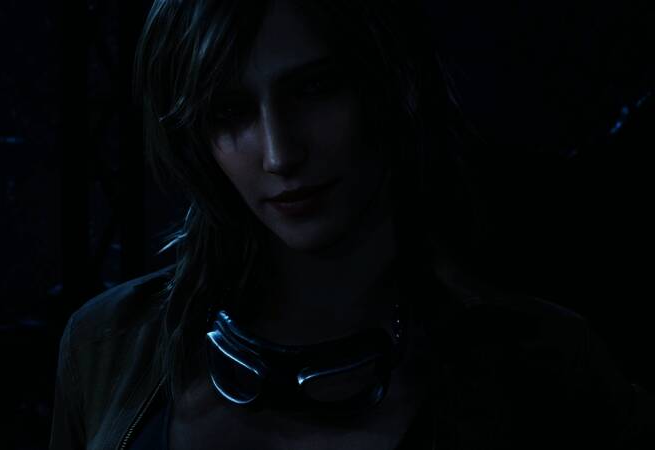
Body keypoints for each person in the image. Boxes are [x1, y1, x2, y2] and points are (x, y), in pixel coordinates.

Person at [49, 1, 654, 449]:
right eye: (229, 111)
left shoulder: (547, 366)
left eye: (314, 90)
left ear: (391, 84)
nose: (280, 154)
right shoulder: (107, 345)